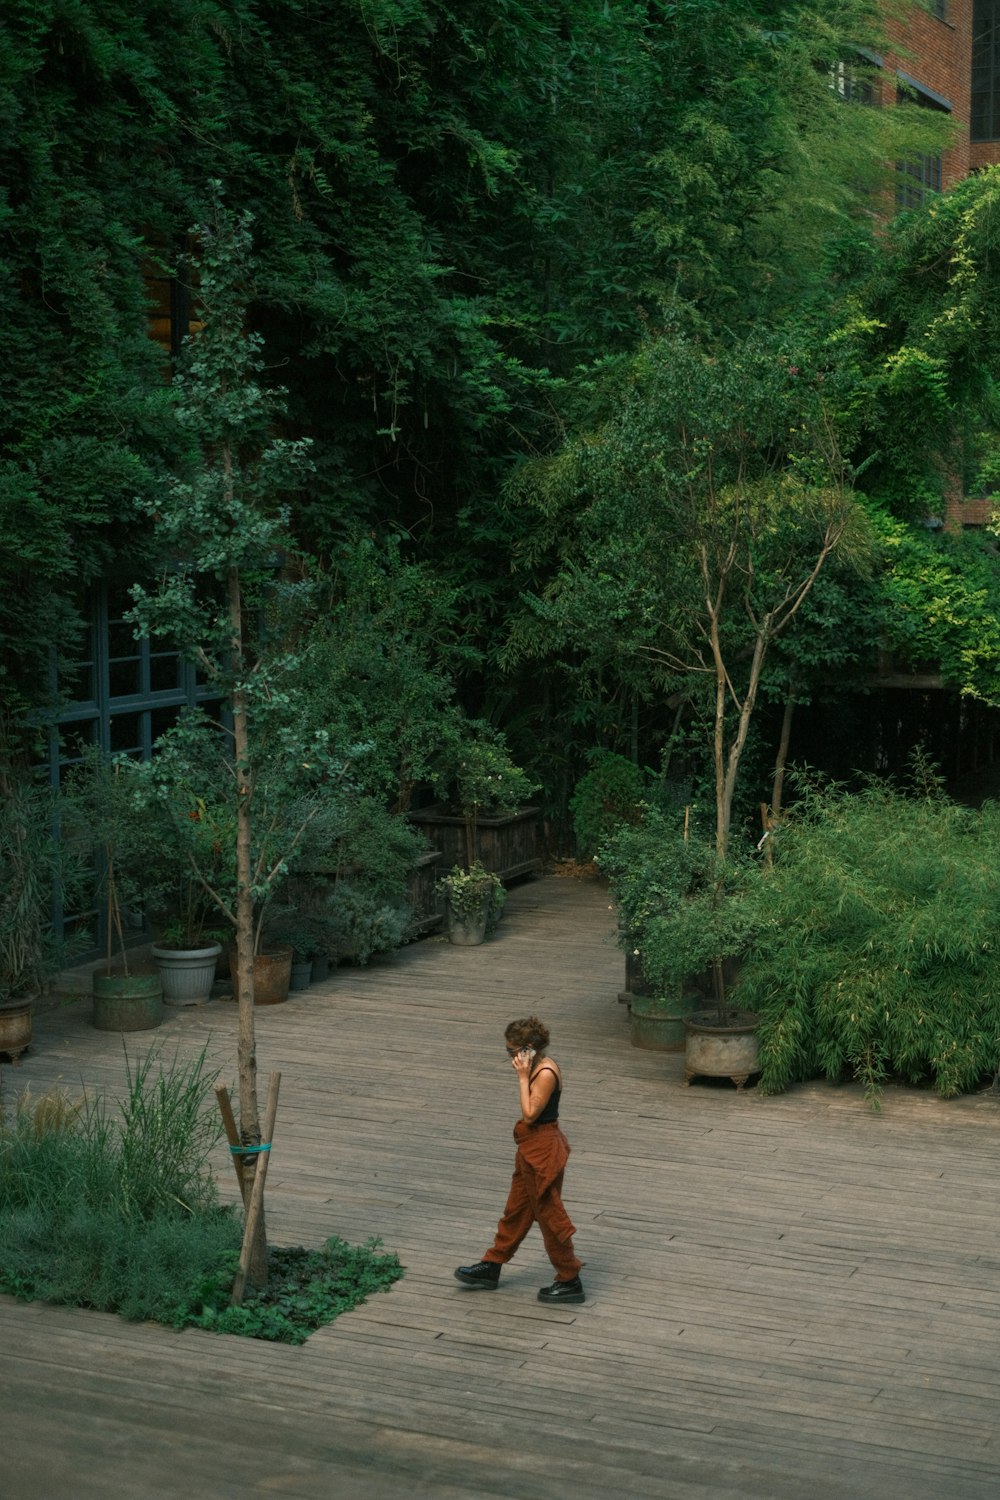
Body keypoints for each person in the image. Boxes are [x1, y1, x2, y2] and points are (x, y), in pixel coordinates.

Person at [454, 1016, 585, 1304]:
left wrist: (523, 1077)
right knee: (517, 1209)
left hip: (543, 1149)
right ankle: (492, 1265)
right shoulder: (537, 1065)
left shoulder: (545, 1072)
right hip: (530, 1147)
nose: (510, 1057)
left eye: (512, 1052)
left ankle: (569, 1278)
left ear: (528, 1049)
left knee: (550, 1215)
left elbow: (530, 1114)